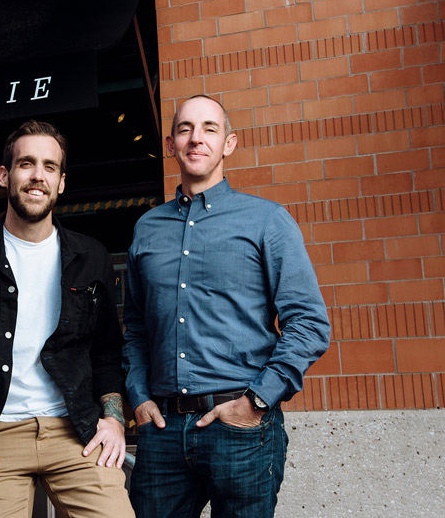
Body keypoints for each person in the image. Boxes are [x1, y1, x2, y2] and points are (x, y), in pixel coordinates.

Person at [123, 95, 331, 517]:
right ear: (170, 144)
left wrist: (256, 402)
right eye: (185, 129)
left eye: (209, 129)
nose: (195, 139)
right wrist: (139, 396)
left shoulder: (267, 221)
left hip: (241, 427)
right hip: (162, 429)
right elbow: (135, 329)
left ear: (229, 143)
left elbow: (309, 324)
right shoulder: (147, 229)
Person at [0, 120, 135, 518]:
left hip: (74, 431)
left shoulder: (91, 257)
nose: (37, 176)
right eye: (26, 164)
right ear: (5, 175)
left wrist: (114, 421)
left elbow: (105, 352)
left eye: (49, 167)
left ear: (61, 182)